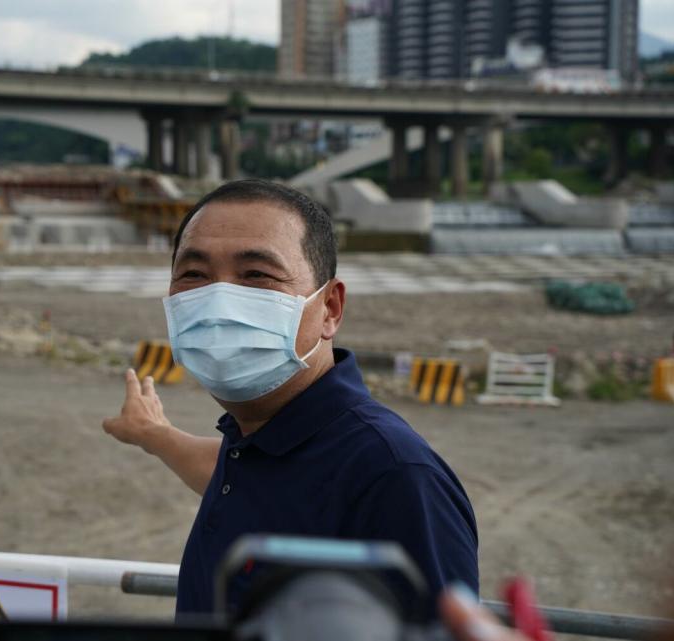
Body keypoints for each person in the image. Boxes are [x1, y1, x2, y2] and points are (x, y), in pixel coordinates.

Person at [103, 179, 478, 618]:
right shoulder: (257, 442)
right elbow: (255, 482)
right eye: (194, 275)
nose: (221, 300)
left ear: (330, 308)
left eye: (257, 274)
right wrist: (154, 434)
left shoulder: (394, 476)